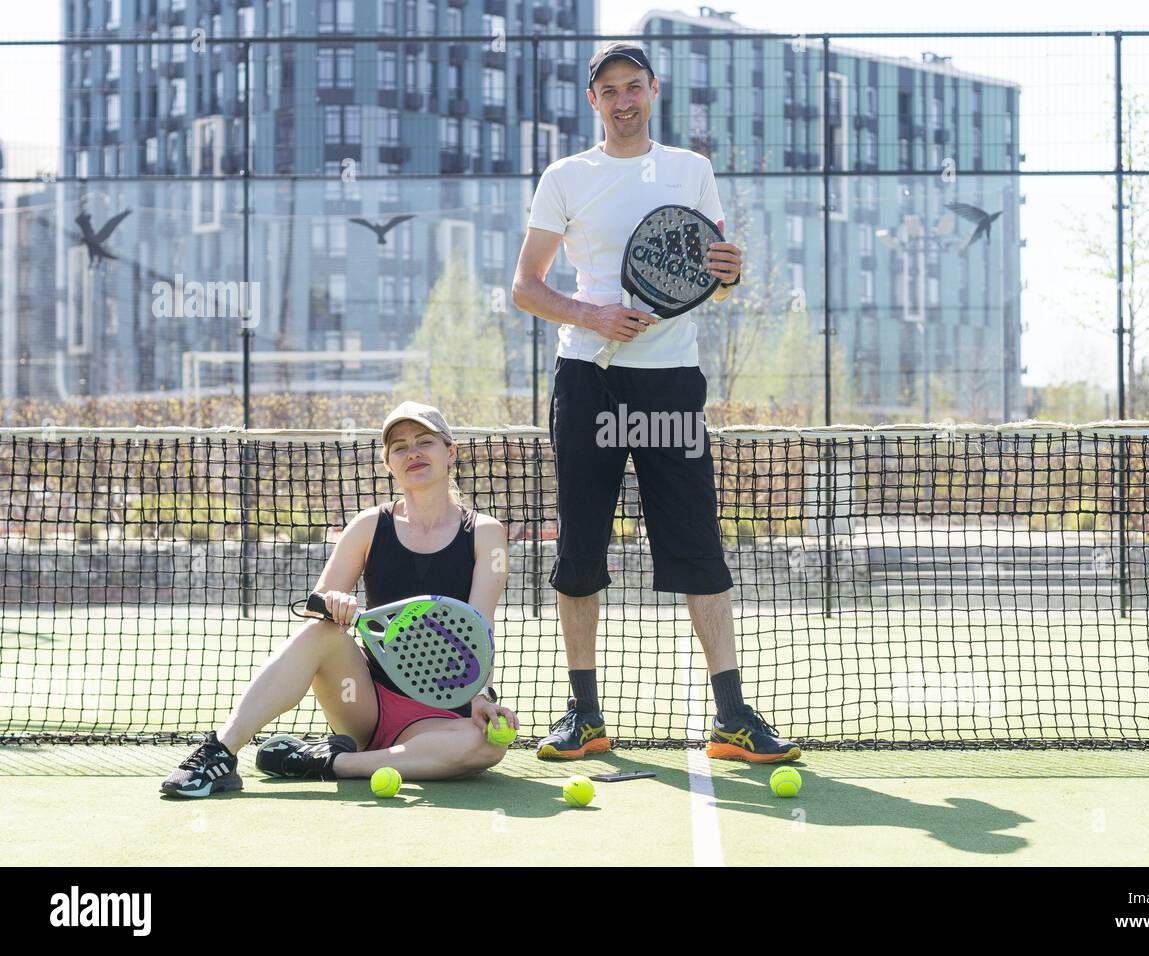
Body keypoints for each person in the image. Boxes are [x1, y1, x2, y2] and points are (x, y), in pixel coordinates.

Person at [511, 42, 800, 763]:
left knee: (699, 549)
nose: (622, 99)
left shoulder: (690, 170)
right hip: (588, 381)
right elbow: (526, 285)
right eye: (608, 90)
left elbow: (713, 276)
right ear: (593, 101)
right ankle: (585, 717)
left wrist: (732, 275)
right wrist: (591, 317)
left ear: (653, 90)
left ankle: (732, 719)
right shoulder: (564, 177)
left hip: (672, 384)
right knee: (579, 554)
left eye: (633, 86)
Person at [160, 402, 518, 797]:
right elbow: (320, 601)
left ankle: (325, 762)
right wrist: (335, 604)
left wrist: (481, 695)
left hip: (442, 716)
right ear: (388, 463)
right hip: (364, 703)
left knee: (485, 745)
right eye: (399, 447)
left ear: (449, 452)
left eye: (425, 442)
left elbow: (479, 629)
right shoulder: (368, 525)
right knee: (320, 633)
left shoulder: (485, 532)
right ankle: (220, 753)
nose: (413, 453)